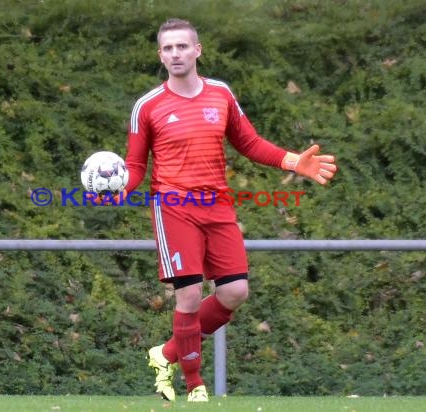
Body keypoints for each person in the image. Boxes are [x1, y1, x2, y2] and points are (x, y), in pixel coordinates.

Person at [122, 18, 337, 402]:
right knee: (188, 297)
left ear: (197, 50)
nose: (175, 54)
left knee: (235, 292)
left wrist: (293, 162)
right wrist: (119, 188)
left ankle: (166, 353)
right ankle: (194, 385)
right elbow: (136, 166)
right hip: (174, 206)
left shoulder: (220, 94)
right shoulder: (147, 106)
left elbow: (249, 143)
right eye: (168, 48)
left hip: (217, 205)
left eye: (182, 46)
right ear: (160, 55)